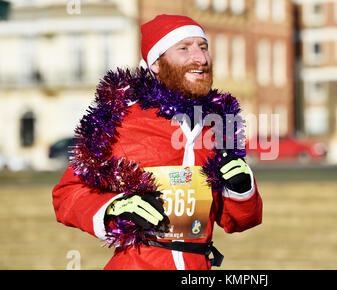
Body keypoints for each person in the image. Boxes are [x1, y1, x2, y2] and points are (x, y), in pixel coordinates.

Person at [52, 14, 263, 270]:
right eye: (184, 48)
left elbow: (238, 221)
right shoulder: (119, 118)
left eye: (203, 47)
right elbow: (67, 195)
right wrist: (114, 208)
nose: (201, 58)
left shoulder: (218, 124)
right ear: (156, 63)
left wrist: (242, 189)